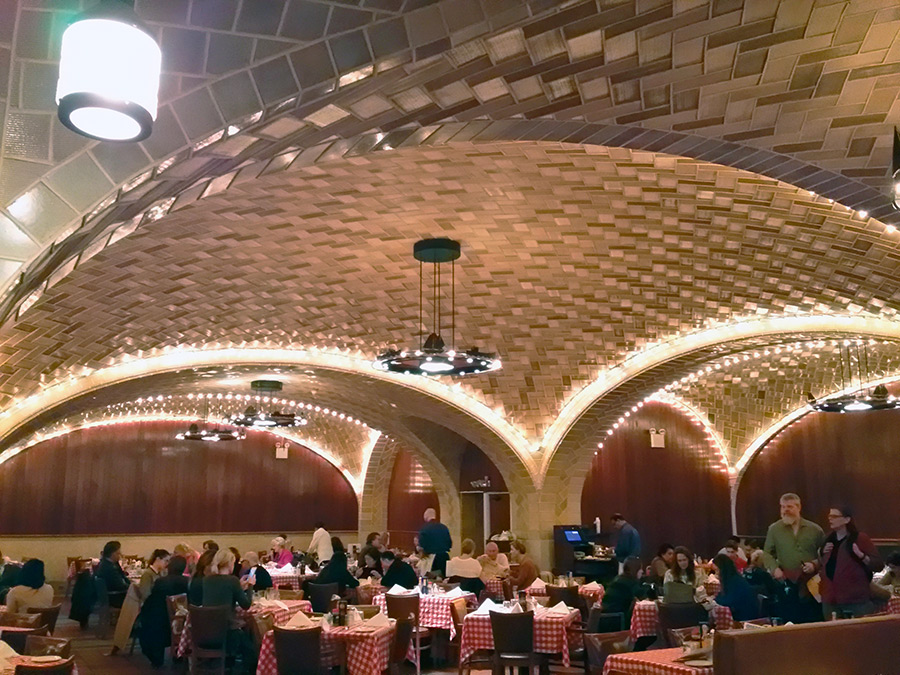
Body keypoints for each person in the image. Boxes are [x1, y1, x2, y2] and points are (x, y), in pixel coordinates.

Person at [763, 493, 825, 623]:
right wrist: (774, 569)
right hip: (786, 582)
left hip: (811, 583)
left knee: (813, 619)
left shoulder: (815, 530)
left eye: (789, 507)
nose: (785, 510)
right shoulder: (774, 529)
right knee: (789, 620)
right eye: (783, 507)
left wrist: (814, 564)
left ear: (799, 507)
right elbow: (767, 553)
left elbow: (825, 554)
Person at [818, 506, 882, 619]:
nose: (830, 519)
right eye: (829, 516)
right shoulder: (828, 538)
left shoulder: (860, 538)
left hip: (855, 600)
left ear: (847, 519)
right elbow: (822, 565)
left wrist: (861, 556)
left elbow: (878, 565)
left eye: (834, 516)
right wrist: (821, 552)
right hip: (830, 600)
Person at [201, 549, 255, 673]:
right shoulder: (232, 581)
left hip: (206, 632)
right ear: (230, 563)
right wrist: (250, 585)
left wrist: (238, 587)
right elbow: (246, 605)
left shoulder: (207, 580)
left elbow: (221, 594)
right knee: (250, 644)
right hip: (227, 633)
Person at [111, 548, 169, 655]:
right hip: (149, 608)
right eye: (165, 561)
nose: (167, 564)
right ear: (157, 559)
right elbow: (146, 595)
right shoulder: (148, 574)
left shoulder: (159, 574)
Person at [140, 555, 190, 668]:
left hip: (160, 620)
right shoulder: (187, 582)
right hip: (182, 620)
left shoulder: (161, 582)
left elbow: (151, 600)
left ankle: (156, 657)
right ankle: (179, 654)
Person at [712, 554, 759, 621]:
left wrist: (714, 602)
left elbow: (729, 601)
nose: (716, 574)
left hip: (744, 617)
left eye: (717, 571)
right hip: (739, 612)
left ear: (723, 570)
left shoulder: (735, 582)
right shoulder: (732, 579)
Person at [601, 557, 644, 624]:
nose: (642, 571)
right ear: (635, 569)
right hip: (616, 619)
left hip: (604, 617)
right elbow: (643, 598)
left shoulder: (618, 578)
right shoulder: (631, 583)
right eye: (640, 569)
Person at [418, 507, 452, 577]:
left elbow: (421, 545)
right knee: (443, 579)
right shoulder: (444, 527)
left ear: (426, 516)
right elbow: (450, 544)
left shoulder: (425, 528)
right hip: (445, 557)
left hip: (432, 560)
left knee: (431, 580)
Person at [96, 541, 130, 608]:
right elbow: (119, 585)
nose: (120, 555)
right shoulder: (108, 567)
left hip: (114, 594)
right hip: (115, 597)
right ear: (113, 554)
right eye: (118, 553)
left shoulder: (110, 563)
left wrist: (130, 584)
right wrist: (132, 587)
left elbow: (123, 576)